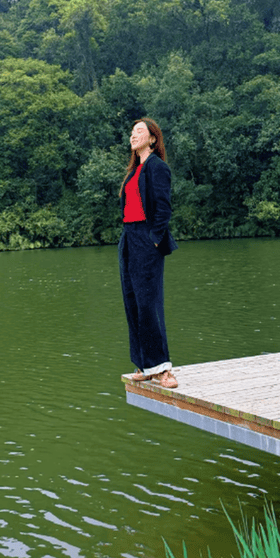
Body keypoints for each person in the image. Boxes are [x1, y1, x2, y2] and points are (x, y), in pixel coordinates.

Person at [118, 118, 179, 388]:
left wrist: (154, 239)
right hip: (128, 237)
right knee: (132, 302)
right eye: (132, 132)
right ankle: (144, 365)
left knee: (148, 303)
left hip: (146, 237)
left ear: (152, 138)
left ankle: (163, 369)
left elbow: (164, 208)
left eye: (139, 131)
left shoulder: (157, 167)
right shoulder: (134, 172)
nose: (133, 135)